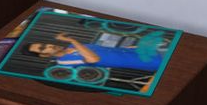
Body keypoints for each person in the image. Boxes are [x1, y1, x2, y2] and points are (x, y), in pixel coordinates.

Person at [27, 32, 164, 72]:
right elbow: (94, 59)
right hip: (142, 61)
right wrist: (73, 40)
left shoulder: (74, 45)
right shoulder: (64, 61)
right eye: (43, 48)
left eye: (45, 44)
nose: (49, 46)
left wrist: (134, 48)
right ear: (44, 55)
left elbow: (106, 50)